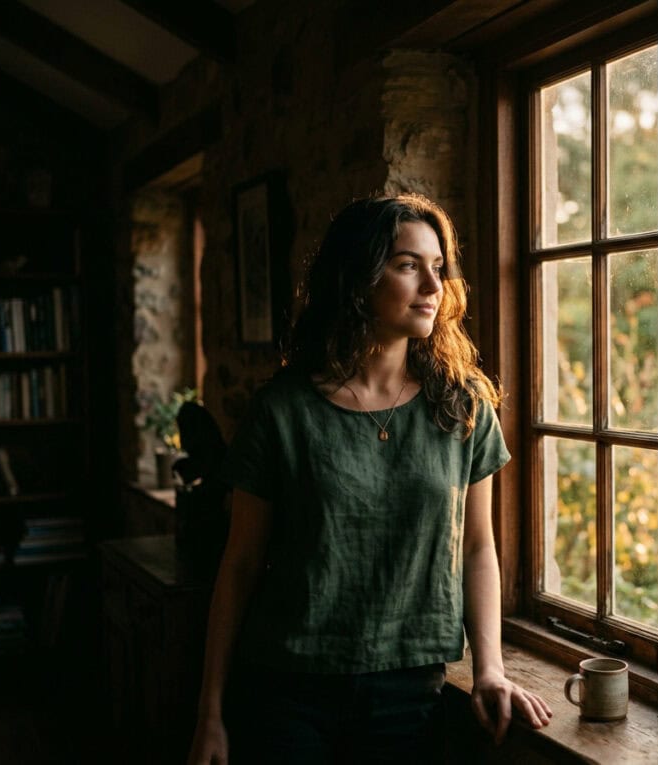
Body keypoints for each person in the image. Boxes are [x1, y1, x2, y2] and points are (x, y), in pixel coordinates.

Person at [188, 193, 552, 764]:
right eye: (409, 266)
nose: (434, 287)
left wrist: (490, 671)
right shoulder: (282, 412)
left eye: (439, 268)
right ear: (357, 279)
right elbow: (237, 566)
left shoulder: (462, 406)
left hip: (412, 690)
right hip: (289, 686)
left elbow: (478, 547)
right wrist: (209, 713)